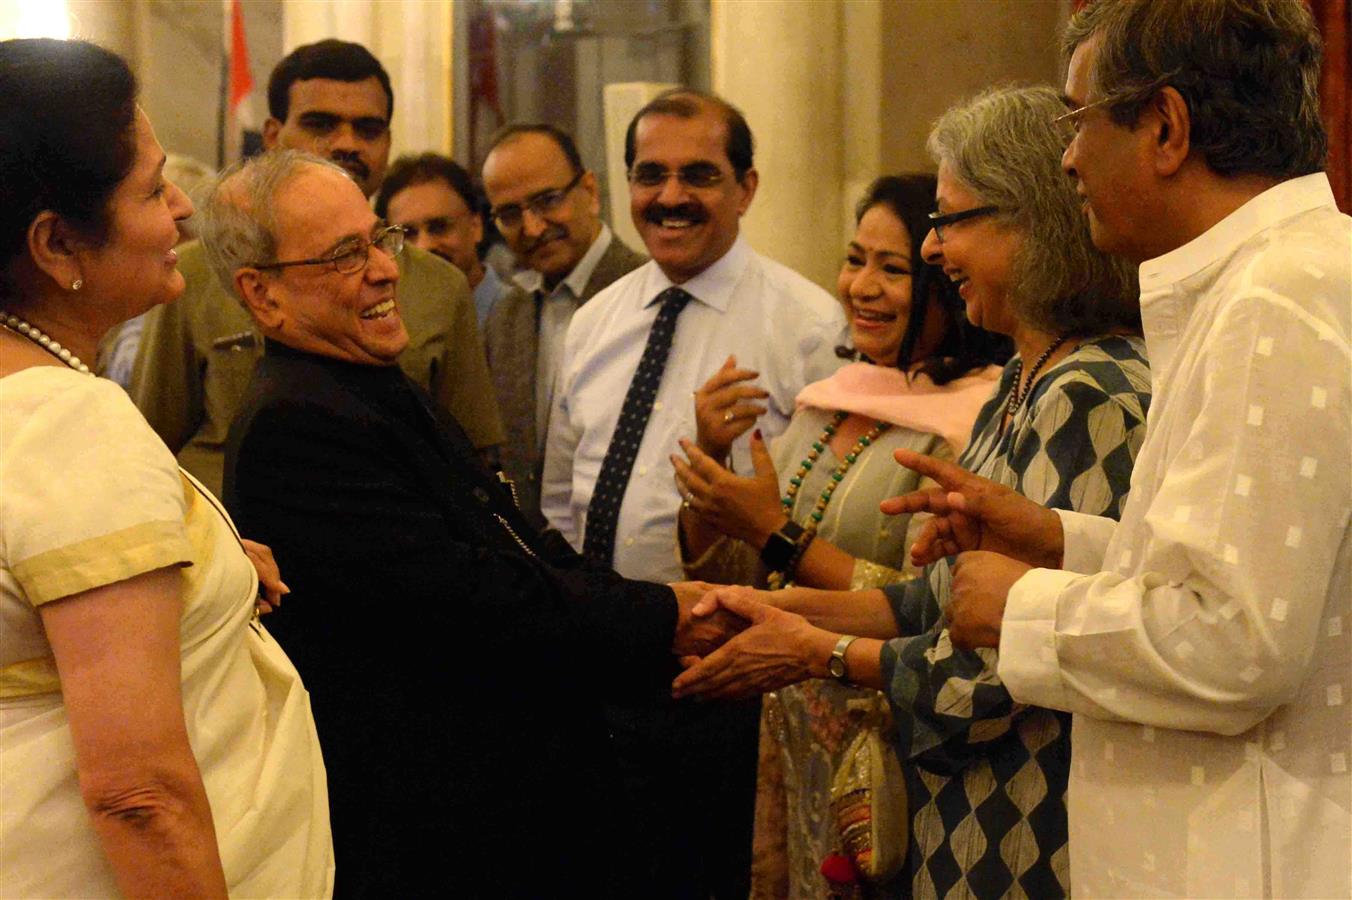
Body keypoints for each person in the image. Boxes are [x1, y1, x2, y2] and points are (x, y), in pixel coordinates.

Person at [889, 2, 1350, 897]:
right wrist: (1059, 540)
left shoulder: (1273, 301)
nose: (1066, 158)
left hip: (1246, 861)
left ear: (1166, 129)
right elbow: (1268, 577)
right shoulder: (1272, 280)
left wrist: (1023, 606)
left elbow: (1238, 644)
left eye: (1077, 119)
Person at [205, 149, 740, 897]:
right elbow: (473, 599)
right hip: (439, 836)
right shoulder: (298, 422)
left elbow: (512, 531)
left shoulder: (362, 380)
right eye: (343, 255)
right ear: (262, 296)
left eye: (378, 238)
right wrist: (662, 615)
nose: (389, 269)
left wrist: (655, 605)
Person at [674, 85, 1151, 899]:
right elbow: (932, 601)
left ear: (1033, 220)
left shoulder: (1092, 387)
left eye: (949, 220)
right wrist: (758, 609)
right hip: (964, 825)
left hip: (1034, 830)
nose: (933, 252)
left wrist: (814, 649)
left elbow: (1009, 664)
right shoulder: (1023, 379)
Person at [0, 39, 330, 897]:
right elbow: (139, 794)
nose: (185, 209)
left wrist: (210, 562)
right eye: (150, 189)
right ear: (56, 245)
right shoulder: (67, 421)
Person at [542, 87, 848, 898]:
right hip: (596, 667)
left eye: (699, 175)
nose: (671, 197)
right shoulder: (594, 323)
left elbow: (821, 516)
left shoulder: (808, 326)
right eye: (651, 175)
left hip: (725, 679)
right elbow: (559, 505)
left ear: (747, 188)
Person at [671, 173, 1010, 896]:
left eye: (892, 270)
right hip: (789, 726)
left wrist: (777, 531)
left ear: (945, 283)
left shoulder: (976, 419)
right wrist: (714, 475)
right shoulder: (830, 400)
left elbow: (933, 600)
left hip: (886, 730)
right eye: (855, 260)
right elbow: (748, 564)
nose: (861, 286)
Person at [129, 38, 503, 496]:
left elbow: (470, 456)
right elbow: (151, 447)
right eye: (321, 124)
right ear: (271, 135)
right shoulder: (195, 274)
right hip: (235, 544)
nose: (347, 143)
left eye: (368, 129)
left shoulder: (440, 284)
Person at [480, 123, 646, 526]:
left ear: (589, 191)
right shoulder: (507, 316)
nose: (533, 227)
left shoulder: (647, 295)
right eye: (510, 214)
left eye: (547, 201)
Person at [375, 151, 509, 327]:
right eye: (407, 235)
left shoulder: (523, 315)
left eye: (439, 227)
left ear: (476, 226)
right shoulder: (391, 326)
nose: (423, 246)